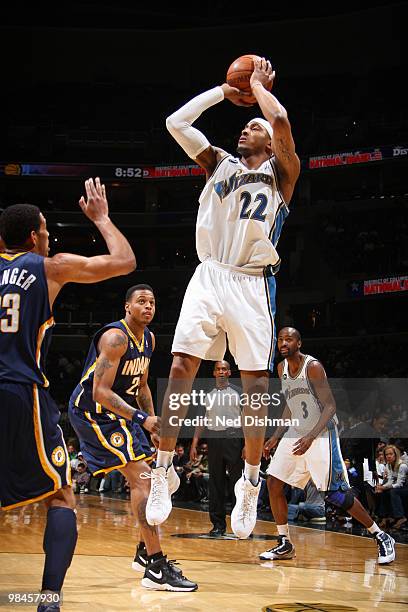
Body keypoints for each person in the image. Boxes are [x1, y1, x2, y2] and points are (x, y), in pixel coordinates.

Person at [147, 56, 301, 539]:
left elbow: (279, 120)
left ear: (267, 141)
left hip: (252, 282)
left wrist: (257, 88)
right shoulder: (218, 163)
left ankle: (251, 482)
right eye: (244, 125)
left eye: (252, 126)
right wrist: (222, 91)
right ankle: (163, 469)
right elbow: (176, 123)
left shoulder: (283, 171)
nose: (246, 128)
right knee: (179, 368)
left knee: (255, 389)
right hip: (210, 274)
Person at [0, 178, 136, 612]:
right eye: (45, 230)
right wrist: (101, 218)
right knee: (60, 495)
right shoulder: (50, 266)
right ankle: (47, 600)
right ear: (34, 237)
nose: (48, 236)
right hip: (21, 390)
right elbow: (124, 261)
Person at [68, 284, 197, 592]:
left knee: (156, 479)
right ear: (127, 307)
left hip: (121, 416)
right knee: (146, 483)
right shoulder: (115, 338)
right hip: (93, 413)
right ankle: (155, 567)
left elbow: (141, 387)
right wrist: (142, 419)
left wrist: (152, 427)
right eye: (141, 301)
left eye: (152, 302)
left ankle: (143, 552)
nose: (148, 306)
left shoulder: (149, 339)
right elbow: (100, 392)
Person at [259, 327, 396, 565]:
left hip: (321, 433)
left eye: (288, 339)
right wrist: (276, 435)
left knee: (335, 493)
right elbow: (291, 405)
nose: (283, 343)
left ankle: (381, 535)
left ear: (298, 343)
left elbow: (330, 406)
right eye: (280, 339)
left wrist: (311, 437)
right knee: (273, 482)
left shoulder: (312, 367)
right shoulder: (281, 369)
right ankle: (285, 543)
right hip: (296, 431)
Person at [190, 360, 244, 536]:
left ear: (229, 372)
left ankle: (240, 525)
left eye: (224, 369)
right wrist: (194, 444)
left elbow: (247, 422)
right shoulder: (207, 393)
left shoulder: (239, 392)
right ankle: (218, 525)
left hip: (234, 438)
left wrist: (247, 446)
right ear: (214, 373)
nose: (221, 372)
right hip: (213, 439)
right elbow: (201, 420)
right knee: (215, 483)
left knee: (238, 483)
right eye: (218, 369)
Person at [374, 444, 408, 529]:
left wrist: (385, 487)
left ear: (395, 455)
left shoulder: (402, 465)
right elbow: (390, 481)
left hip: (405, 486)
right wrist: (381, 487)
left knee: (393, 491)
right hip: (399, 487)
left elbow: (399, 483)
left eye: (391, 454)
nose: (388, 456)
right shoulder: (388, 465)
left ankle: (401, 517)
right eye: (387, 454)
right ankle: (385, 516)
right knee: (383, 492)